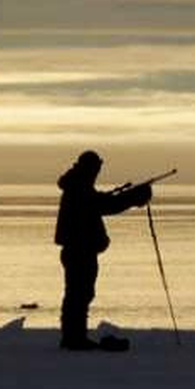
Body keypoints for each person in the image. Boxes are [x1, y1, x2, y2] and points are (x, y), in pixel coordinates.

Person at [53, 149, 152, 351]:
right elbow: (105, 205)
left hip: (80, 250)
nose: (97, 171)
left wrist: (129, 196)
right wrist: (133, 197)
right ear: (89, 168)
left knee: (80, 294)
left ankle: (74, 336)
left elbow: (100, 202)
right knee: (78, 294)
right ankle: (74, 338)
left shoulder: (78, 186)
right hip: (79, 251)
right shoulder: (79, 188)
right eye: (96, 167)